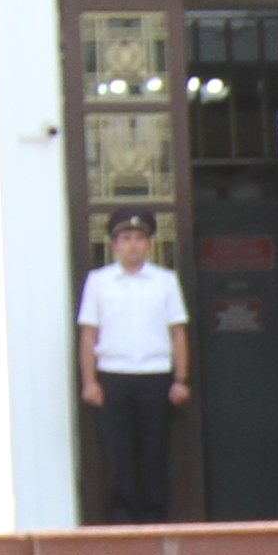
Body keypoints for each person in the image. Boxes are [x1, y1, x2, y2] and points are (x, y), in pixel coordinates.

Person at [74, 212, 191, 527]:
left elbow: (178, 332)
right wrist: (89, 381)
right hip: (114, 375)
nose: (133, 245)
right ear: (114, 245)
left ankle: (155, 518)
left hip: (155, 375)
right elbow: (88, 335)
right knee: (117, 452)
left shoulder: (165, 281)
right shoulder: (98, 282)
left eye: (139, 239)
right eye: (126, 239)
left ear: (149, 245)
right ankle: (122, 518)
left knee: (154, 450)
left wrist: (180, 379)